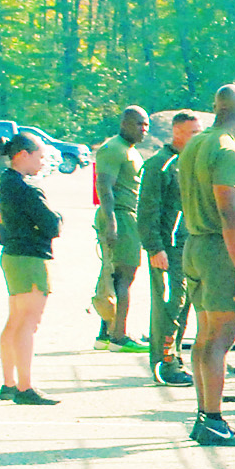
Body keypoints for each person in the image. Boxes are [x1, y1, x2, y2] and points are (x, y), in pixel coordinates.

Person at [177, 84, 235, 447]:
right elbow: (230, 213)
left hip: (195, 244)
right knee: (220, 339)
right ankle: (213, 419)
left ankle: (203, 415)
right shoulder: (228, 151)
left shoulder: (195, 143)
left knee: (205, 335)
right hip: (220, 251)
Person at [0, 131, 63, 405]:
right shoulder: (26, 188)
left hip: (12, 254)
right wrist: (59, 217)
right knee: (27, 324)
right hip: (30, 258)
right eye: (40, 155)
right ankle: (25, 387)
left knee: (15, 320)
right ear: (23, 155)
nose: (43, 161)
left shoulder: (5, 182)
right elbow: (51, 224)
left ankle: (9, 383)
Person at [139, 111, 198, 386]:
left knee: (183, 304)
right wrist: (154, 248)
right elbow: (147, 212)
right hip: (167, 247)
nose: (197, 138)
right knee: (169, 305)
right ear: (177, 132)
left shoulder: (190, 163)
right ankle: (164, 362)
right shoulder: (159, 166)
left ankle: (175, 357)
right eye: (193, 133)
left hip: (187, 245)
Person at [90, 105, 151, 354]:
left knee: (114, 277)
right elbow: (104, 186)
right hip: (120, 216)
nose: (143, 129)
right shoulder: (113, 149)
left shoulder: (130, 150)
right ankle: (119, 336)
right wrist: (112, 221)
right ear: (124, 123)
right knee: (124, 276)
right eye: (138, 124)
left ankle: (106, 333)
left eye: (146, 124)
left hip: (128, 217)